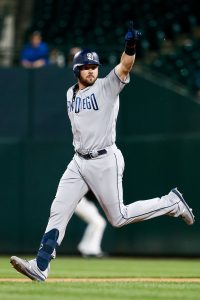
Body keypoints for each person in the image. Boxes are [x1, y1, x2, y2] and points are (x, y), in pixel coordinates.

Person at [10, 22, 195, 282]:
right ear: (76, 70)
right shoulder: (69, 94)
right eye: (86, 67)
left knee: (118, 217)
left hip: (104, 159)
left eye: (94, 66)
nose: (91, 71)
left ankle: (171, 203)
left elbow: (125, 66)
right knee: (58, 208)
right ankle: (41, 265)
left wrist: (130, 46)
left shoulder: (108, 86)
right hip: (78, 161)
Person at [75, 193, 106, 257]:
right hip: (81, 200)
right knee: (98, 223)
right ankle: (92, 250)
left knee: (98, 223)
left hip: (85, 201)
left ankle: (85, 248)